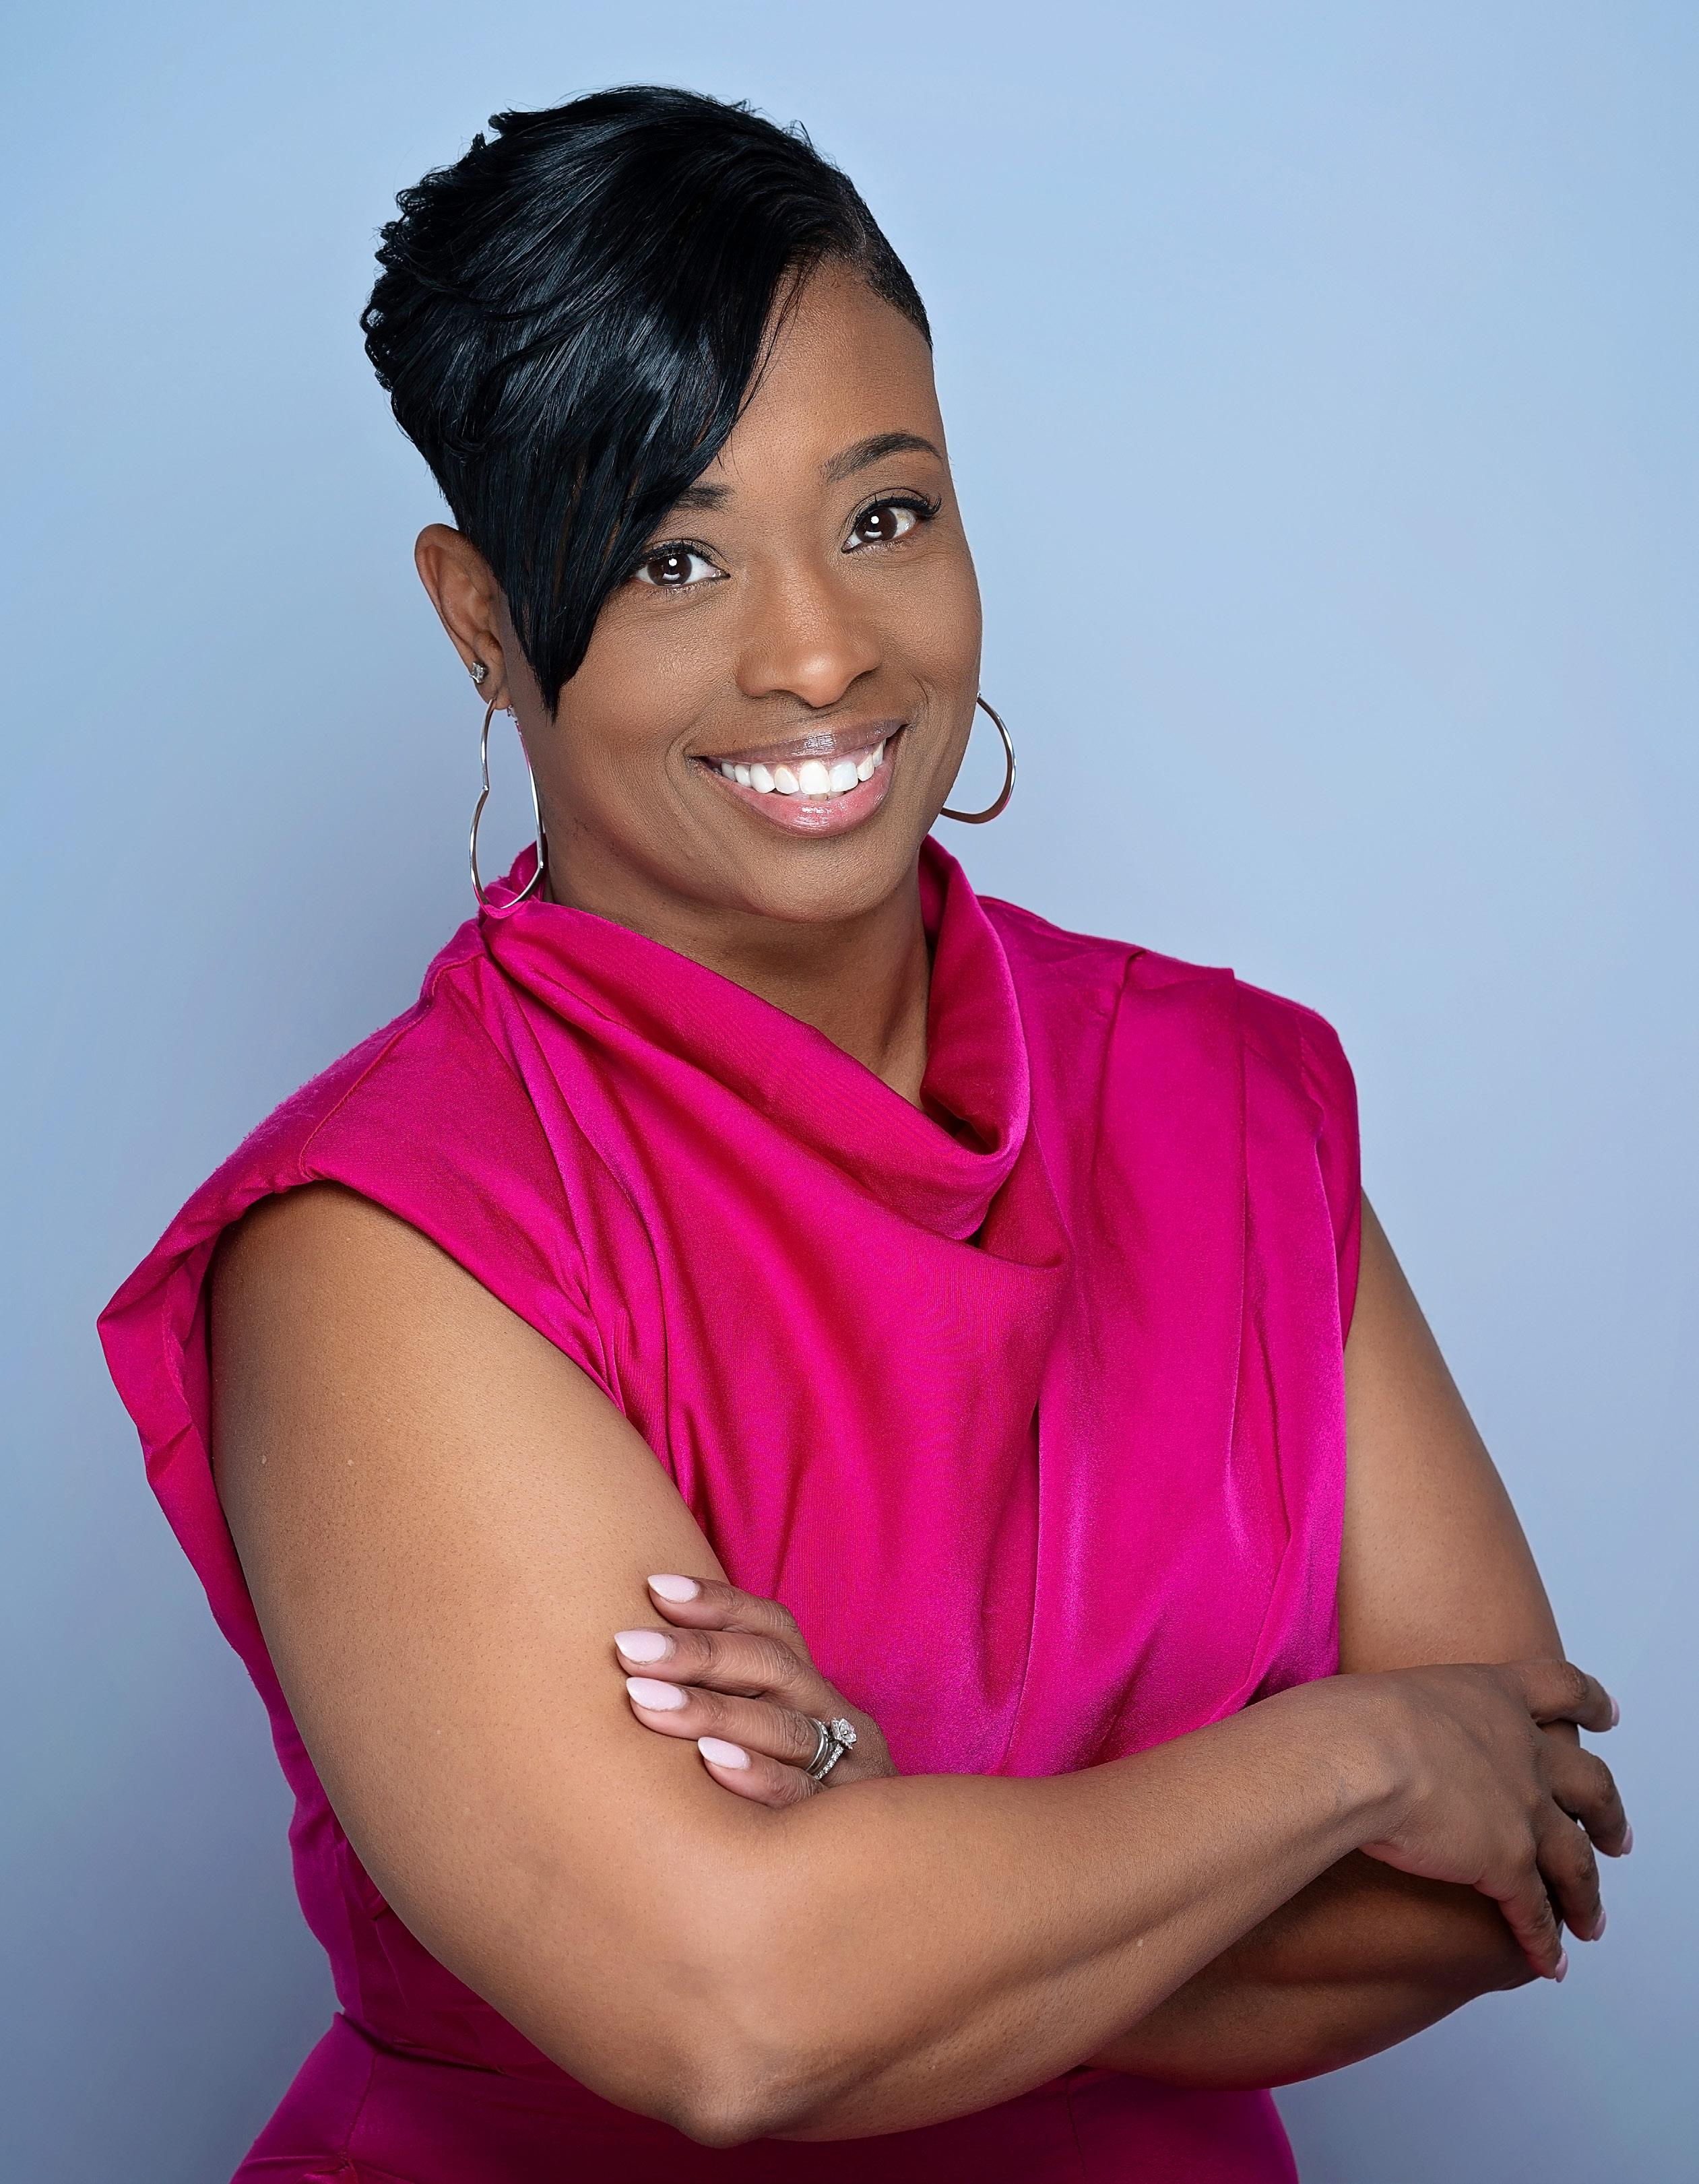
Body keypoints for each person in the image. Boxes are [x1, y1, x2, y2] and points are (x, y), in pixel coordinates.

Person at [98, 86, 1628, 2184]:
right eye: (674, 555)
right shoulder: (390, 1233)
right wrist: (1342, 1763)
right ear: (478, 617)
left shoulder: (1230, 1096)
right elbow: (735, 2014)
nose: (819, 648)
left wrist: (906, 1869)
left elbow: (1509, 1860)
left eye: (884, 515)